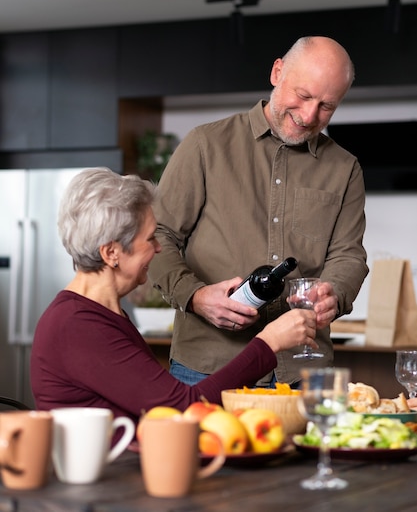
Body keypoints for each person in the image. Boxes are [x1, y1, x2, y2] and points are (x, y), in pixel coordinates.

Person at [148, 35, 369, 388]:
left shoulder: (345, 168)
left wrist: (335, 292)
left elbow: (348, 254)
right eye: (304, 95)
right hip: (210, 364)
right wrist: (196, 297)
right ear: (277, 71)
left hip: (303, 369)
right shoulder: (205, 145)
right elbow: (158, 235)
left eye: (327, 106)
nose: (310, 115)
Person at [30, 167, 317, 427]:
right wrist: (270, 343)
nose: (158, 249)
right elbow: (183, 408)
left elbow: (157, 402)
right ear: (111, 253)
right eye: (150, 238)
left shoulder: (100, 312)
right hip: (107, 480)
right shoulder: (77, 325)